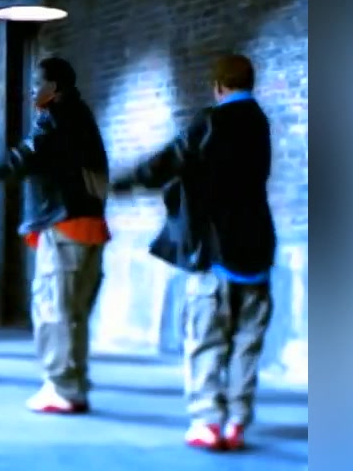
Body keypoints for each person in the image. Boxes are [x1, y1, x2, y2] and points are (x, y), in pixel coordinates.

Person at [111, 54, 277, 451]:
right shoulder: (260, 123)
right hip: (257, 250)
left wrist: (121, 182)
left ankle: (207, 422)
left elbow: (167, 162)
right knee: (246, 342)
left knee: (206, 339)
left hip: (215, 253)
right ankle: (237, 421)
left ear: (218, 87)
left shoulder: (212, 122)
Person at [0, 57, 110, 414]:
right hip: (89, 227)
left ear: (55, 87)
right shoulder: (83, 116)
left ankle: (61, 388)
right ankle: (74, 384)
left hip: (63, 227)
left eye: (38, 83)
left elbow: (22, 159)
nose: (32, 90)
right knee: (73, 313)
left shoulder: (55, 119)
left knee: (54, 311)